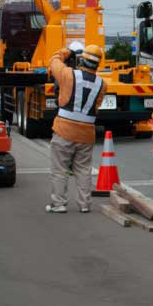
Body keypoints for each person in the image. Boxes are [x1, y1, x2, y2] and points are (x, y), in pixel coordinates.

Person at [45, 42, 105, 214]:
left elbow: (54, 60)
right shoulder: (102, 85)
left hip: (64, 129)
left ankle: (59, 204)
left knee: (59, 169)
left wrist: (68, 50)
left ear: (81, 60)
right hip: (86, 133)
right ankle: (85, 204)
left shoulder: (68, 74)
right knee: (83, 169)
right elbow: (96, 106)